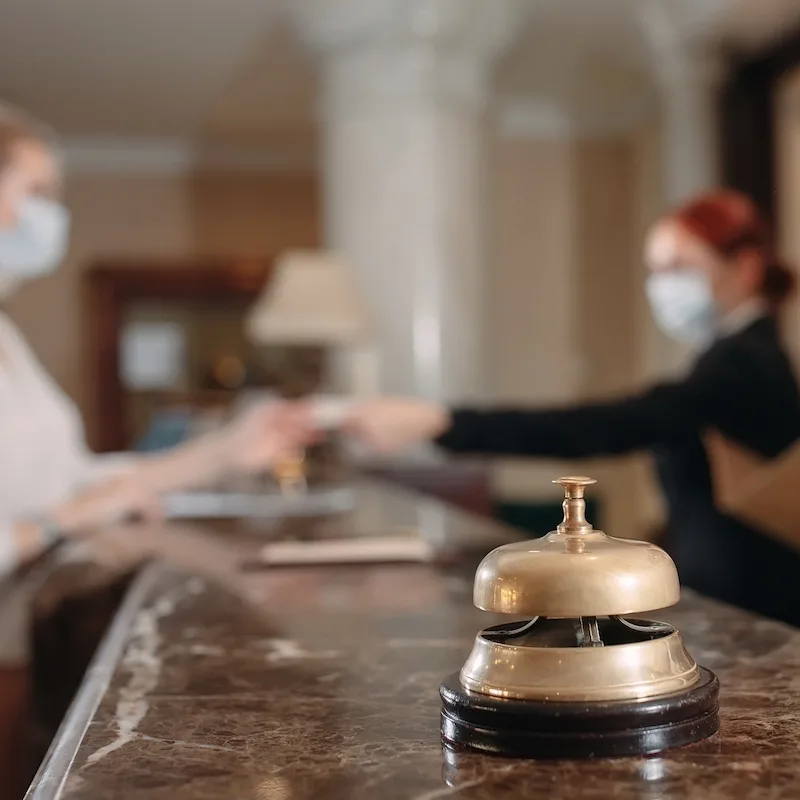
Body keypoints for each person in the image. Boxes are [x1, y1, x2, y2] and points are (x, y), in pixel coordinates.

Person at [341, 189, 800, 626]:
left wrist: (443, 421)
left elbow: (608, 425)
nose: (662, 285)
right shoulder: (735, 354)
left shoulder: (743, 362)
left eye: (678, 266)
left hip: (755, 600)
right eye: (654, 269)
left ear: (745, 266)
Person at [0, 102, 310, 578]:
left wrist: (228, 449)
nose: (48, 215)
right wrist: (65, 520)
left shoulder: (8, 338)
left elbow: (74, 482)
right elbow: (72, 507)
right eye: (35, 191)